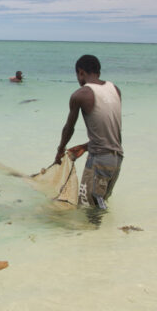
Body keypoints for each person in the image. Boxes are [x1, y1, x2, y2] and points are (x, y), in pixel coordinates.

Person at [54, 55, 123, 210]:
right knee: (100, 205)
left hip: (99, 160)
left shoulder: (81, 94)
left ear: (81, 72)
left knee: (88, 208)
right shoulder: (115, 89)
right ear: (98, 72)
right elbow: (110, 129)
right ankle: (104, 233)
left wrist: (60, 151)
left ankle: (92, 234)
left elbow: (69, 128)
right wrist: (85, 146)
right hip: (117, 160)